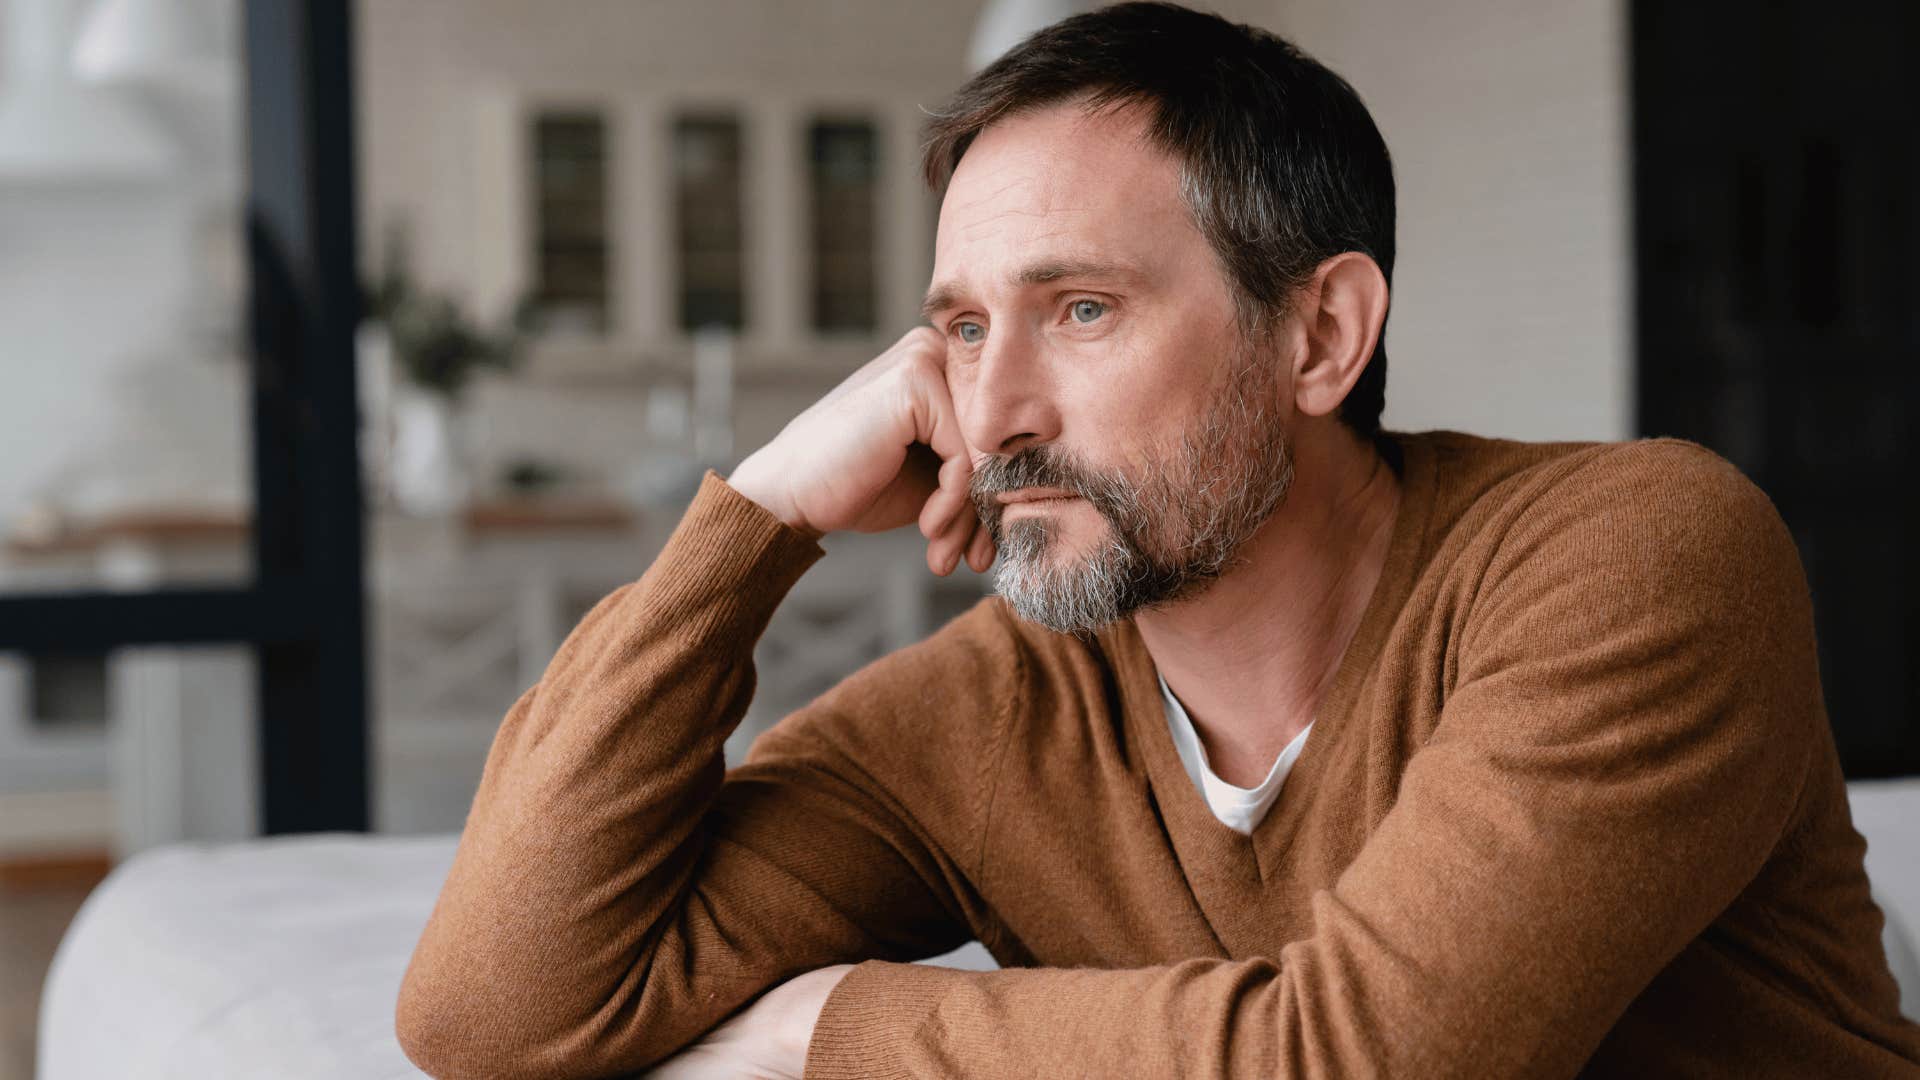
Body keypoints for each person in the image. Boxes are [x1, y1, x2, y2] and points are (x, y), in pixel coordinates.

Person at [394, 4, 1920, 1076]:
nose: (989, 413)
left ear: (1321, 335)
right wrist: (763, 517)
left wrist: (825, 1034)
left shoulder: (1637, 551)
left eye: (1080, 311)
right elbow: (490, 1015)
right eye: (959, 330)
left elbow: (1365, 1065)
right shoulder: (994, 709)